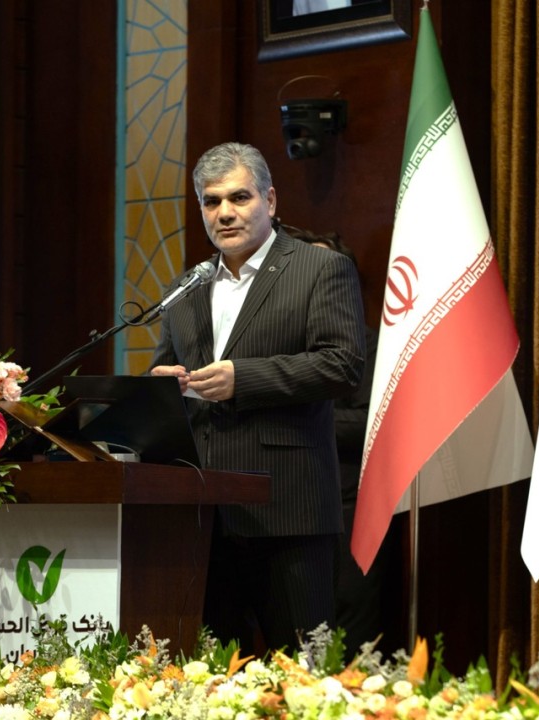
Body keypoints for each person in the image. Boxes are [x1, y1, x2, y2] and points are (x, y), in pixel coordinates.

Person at [149, 142, 366, 654]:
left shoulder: (319, 269)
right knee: (206, 676)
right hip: (201, 517)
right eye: (211, 201)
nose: (224, 212)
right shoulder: (186, 288)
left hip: (287, 509)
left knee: (304, 672)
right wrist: (160, 385)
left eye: (239, 197)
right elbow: (166, 377)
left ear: (270, 200)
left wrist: (242, 379)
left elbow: (342, 366)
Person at [283, 224, 394, 657]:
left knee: (350, 637)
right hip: (284, 509)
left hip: (350, 511)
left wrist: (295, 418)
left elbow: (373, 424)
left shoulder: (369, 345)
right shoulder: (277, 346)